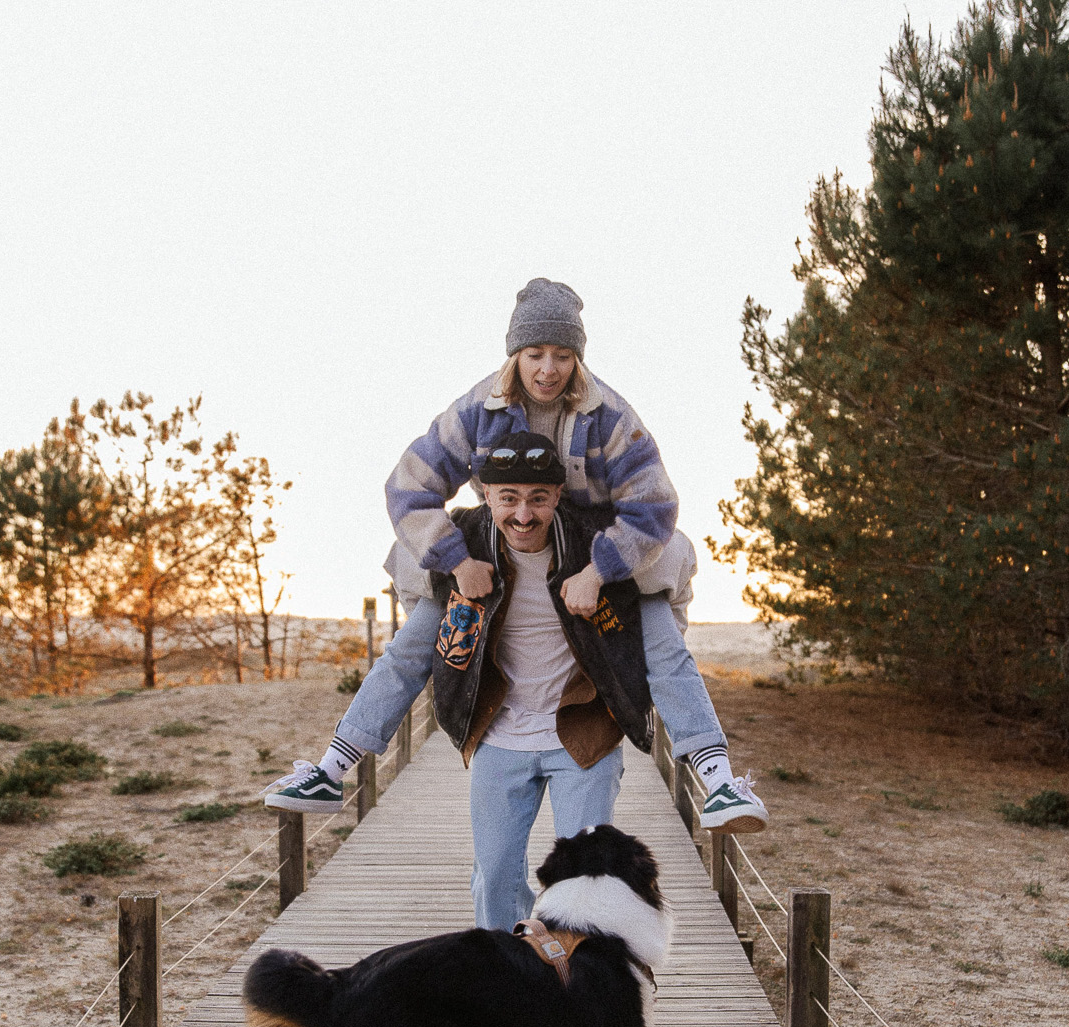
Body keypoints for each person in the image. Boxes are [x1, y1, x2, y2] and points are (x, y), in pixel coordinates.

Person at [266, 278, 766, 833]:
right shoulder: (479, 410)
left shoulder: (611, 417)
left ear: (578, 357)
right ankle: (332, 770)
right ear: (515, 353)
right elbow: (409, 486)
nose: (548, 369)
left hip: (595, 555)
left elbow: (653, 504)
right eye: (535, 354)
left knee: (660, 642)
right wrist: (458, 561)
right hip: (501, 544)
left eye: (562, 354)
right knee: (420, 638)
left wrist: (599, 571)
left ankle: (718, 780)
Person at [420, 442, 651, 929]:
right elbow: (407, 517)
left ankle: (574, 980)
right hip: (499, 736)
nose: (523, 514)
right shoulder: (462, 546)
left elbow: (658, 537)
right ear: (486, 495)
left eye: (538, 498)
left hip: (581, 738)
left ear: (559, 495)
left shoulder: (596, 547)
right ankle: (505, 978)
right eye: (508, 498)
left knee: (585, 881)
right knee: (496, 875)